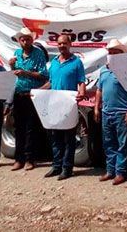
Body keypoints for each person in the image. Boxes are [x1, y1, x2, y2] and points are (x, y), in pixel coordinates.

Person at [42, 34, 86, 180]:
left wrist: (82, 93)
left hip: (69, 105)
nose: (61, 46)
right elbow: (50, 82)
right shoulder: (53, 62)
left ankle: (67, 169)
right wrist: (38, 91)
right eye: (59, 43)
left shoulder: (77, 62)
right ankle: (56, 166)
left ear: (70, 44)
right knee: (56, 138)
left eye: (64, 43)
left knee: (69, 138)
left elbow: (81, 81)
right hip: (54, 106)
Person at [94, 39, 127, 185]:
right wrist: (96, 107)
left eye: (115, 52)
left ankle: (121, 172)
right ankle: (110, 170)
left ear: (121, 54)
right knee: (108, 143)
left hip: (121, 112)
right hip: (106, 112)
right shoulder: (103, 70)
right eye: (110, 53)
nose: (111, 55)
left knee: (122, 144)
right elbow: (99, 90)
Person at [8, 27, 48, 171]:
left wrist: (26, 73)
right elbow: (13, 73)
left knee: (31, 128)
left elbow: (43, 75)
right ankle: (18, 159)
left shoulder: (38, 54)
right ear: (19, 41)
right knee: (18, 127)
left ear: (32, 40)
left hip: (32, 94)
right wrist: (12, 66)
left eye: (28, 39)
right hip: (19, 94)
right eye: (22, 39)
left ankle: (30, 159)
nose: (25, 41)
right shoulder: (17, 53)